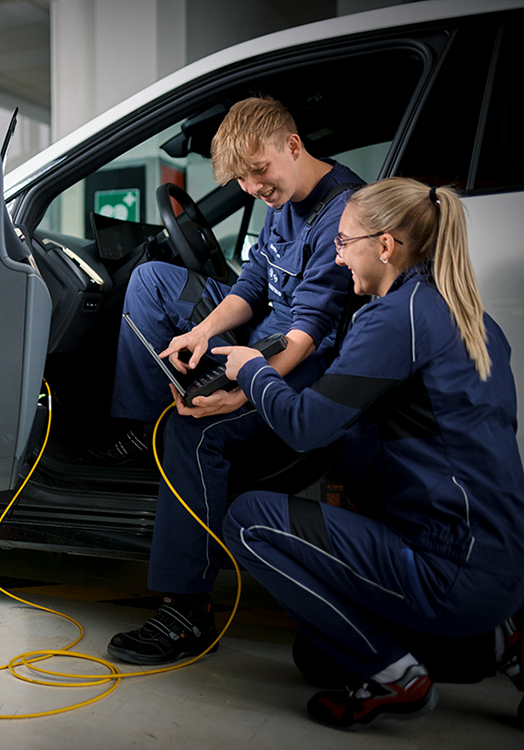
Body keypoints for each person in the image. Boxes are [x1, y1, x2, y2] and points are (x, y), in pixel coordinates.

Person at [216, 177, 524, 730]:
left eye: (342, 243)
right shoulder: (470, 316)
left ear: (384, 246)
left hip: (448, 569)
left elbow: (306, 427)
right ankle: (501, 639)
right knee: (317, 656)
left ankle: (393, 677)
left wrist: (252, 369)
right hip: (503, 562)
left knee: (247, 520)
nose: (337, 258)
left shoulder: (396, 317)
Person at [104, 97, 364, 664]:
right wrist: (203, 332)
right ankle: (140, 431)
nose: (252, 187)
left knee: (192, 431)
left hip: (301, 359)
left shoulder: (342, 212)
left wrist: (244, 386)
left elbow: (309, 330)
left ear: (292, 146)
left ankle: (186, 611)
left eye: (259, 171)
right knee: (149, 281)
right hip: (267, 330)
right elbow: (251, 285)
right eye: (241, 178)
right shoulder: (281, 198)